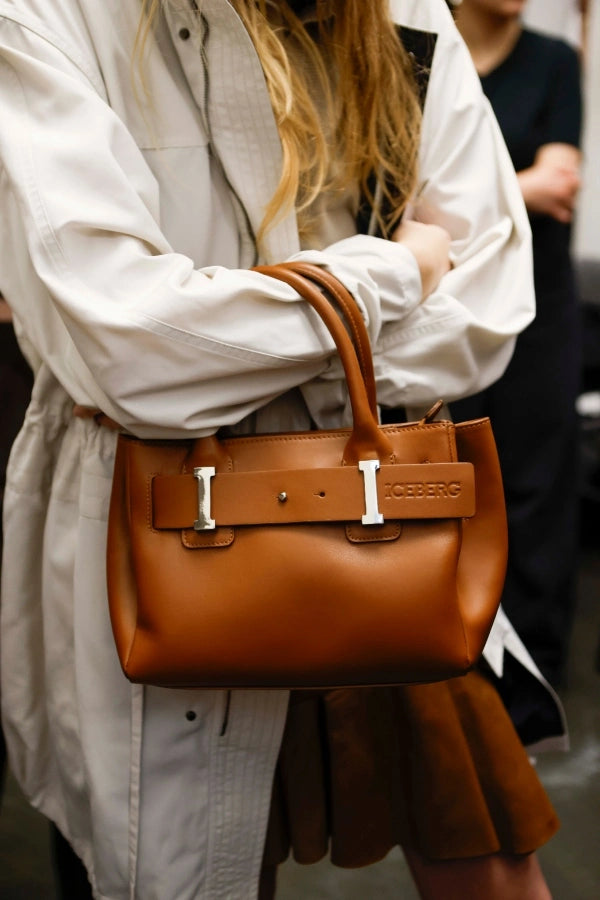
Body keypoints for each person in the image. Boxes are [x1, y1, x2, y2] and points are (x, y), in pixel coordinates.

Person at [0, 2, 558, 898]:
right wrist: (399, 272)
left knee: (486, 838)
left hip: (385, 520)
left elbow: (487, 304)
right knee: (191, 865)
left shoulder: (403, 12)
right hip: (176, 532)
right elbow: (131, 350)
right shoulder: (50, 17)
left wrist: (226, 342)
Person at [448, 0, 584, 691]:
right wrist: (514, 192)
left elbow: (559, 183)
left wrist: (455, 211)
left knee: (536, 497)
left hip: (539, 315)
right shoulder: (421, 59)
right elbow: (394, 197)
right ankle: (454, 687)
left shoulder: (554, 61)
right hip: (448, 318)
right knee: (449, 495)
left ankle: (532, 700)